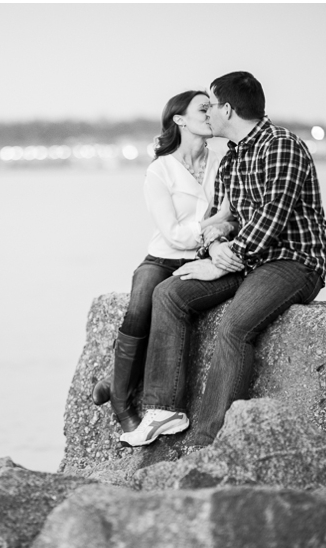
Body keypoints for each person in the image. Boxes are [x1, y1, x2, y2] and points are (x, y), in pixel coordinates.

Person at [120, 71, 326, 448]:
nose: (208, 112)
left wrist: (222, 259)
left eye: (211, 105)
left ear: (228, 109)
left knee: (234, 327)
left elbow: (272, 217)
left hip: (292, 261)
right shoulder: (232, 158)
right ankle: (165, 409)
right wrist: (214, 246)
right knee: (169, 293)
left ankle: (208, 441)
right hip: (246, 259)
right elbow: (219, 218)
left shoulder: (280, 145)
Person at [93, 90, 238, 434]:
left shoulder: (225, 161)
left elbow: (234, 219)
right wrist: (214, 222)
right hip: (163, 257)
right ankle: (120, 400)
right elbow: (173, 234)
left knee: (170, 308)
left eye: (212, 107)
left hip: (208, 259)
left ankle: (113, 380)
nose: (211, 112)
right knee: (141, 301)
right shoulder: (160, 170)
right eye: (203, 108)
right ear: (179, 119)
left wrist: (223, 224)